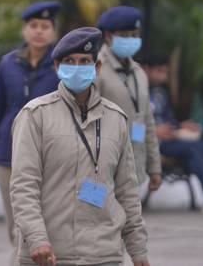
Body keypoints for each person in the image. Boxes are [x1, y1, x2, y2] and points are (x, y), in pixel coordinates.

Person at [10, 27, 149, 266]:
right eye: (70, 61)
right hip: (50, 253)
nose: (77, 67)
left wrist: (138, 251)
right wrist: (37, 239)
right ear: (57, 67)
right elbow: (24, 185)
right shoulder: (35, 115)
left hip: (103, 254)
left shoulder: (116, 119)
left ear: (97, 68)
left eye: (85, 61)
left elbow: (127, 190)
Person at [0, 1, 61, 247]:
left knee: (45, 225)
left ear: (54, 32)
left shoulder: (62, 65)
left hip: (49, 155)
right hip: (9, 154)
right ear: (24, 30)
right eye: (33, 25)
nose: (39, 31)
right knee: (16, 227)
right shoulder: (8, 63)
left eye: (45, 26)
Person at [143, 54, 203, 213]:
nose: (164, 77)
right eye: (159, 71)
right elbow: (127, 123)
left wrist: (181, 126)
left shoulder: (159, 93)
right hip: (150, 143)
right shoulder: (135, 93)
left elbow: (168, 120)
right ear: (145, 70)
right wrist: (152, 132)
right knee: (193, 150)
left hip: (171, 140)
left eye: (166, 72)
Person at [96, 6, 162, 191]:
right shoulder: (96, 69)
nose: (131, 40)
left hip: (134, 165)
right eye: (125, 35)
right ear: (108, 36)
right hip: (102, 165)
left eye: (135, 35)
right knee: (95, 215)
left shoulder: (138, 72)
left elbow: (147, 121)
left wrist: (154, 168)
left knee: (130, 218)